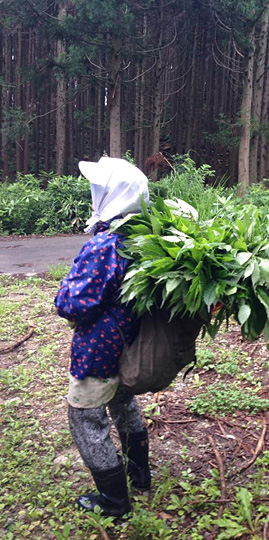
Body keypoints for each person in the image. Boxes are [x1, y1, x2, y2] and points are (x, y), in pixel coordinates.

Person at [55, 157, 151, 518]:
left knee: (84, 417)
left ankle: (114, 501)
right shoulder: (144, 237)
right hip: (130, 341)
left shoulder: (105, 245)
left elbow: (75, 303)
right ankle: (140, 475)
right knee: (123, 402)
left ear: (113, 195)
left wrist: (63, 292)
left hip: (99, 346)